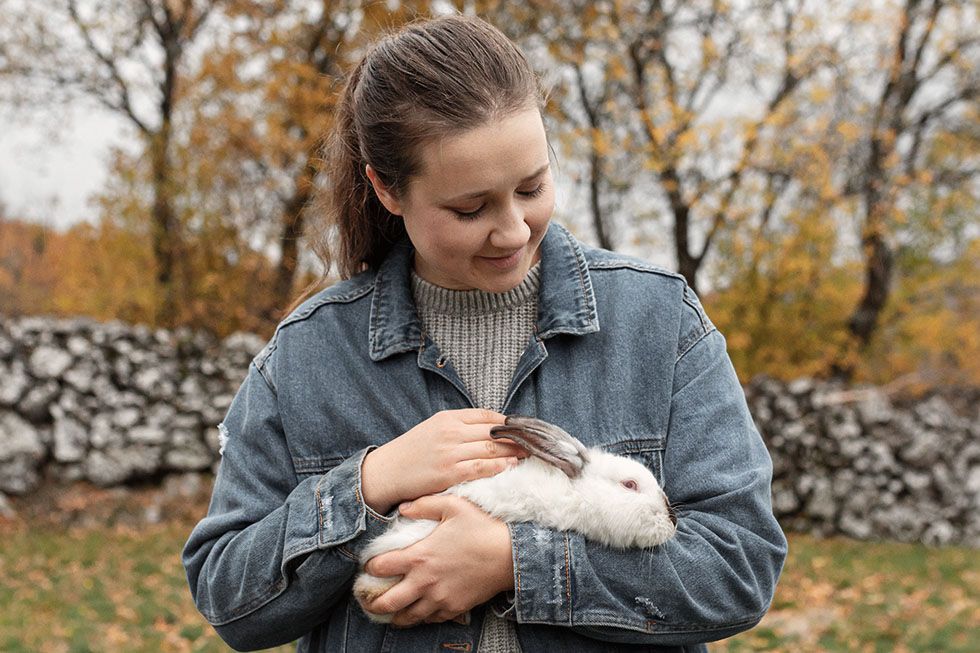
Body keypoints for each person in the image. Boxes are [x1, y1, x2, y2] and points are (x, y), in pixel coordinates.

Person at [182, 13, 787, 653]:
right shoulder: (308, 355)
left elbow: (739, 568)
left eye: (532, 187)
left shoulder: (659, 321)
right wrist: (369, 483)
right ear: (386, 188)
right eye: (469, 208)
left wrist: (514, 563)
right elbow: (229, 599)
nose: (514, 231)